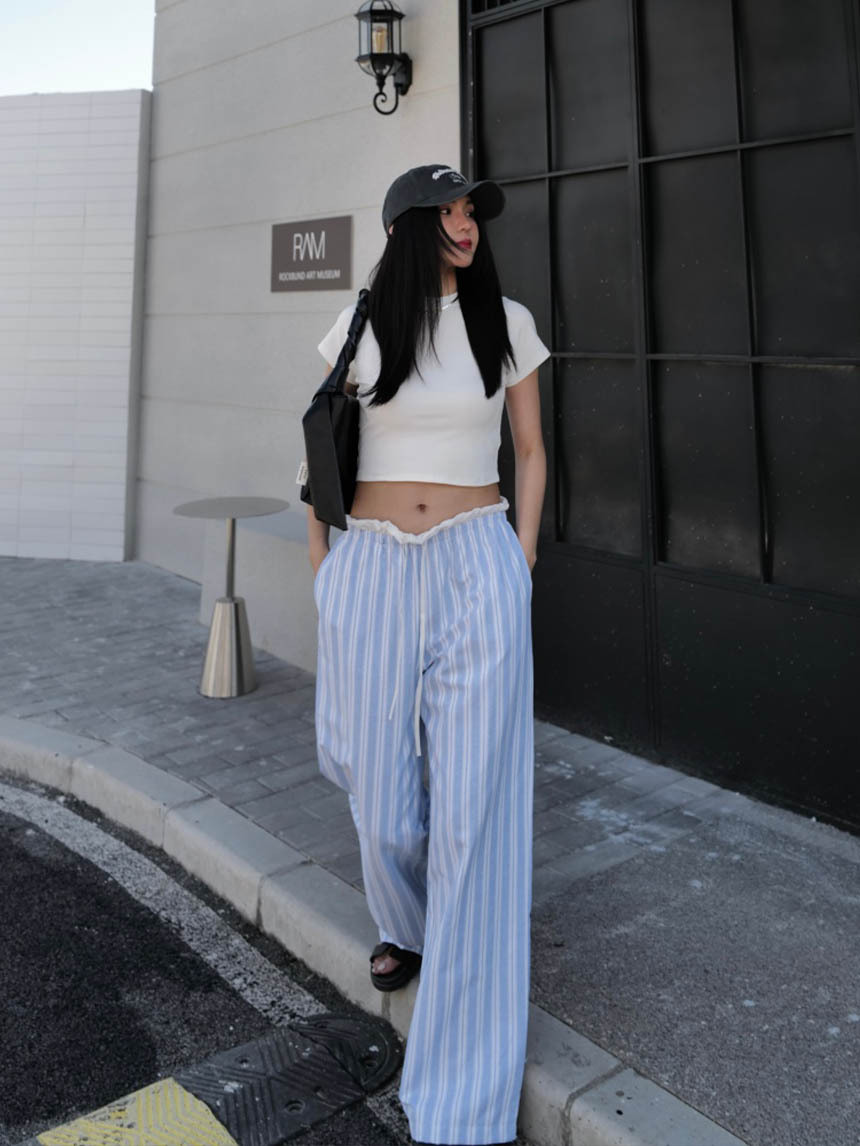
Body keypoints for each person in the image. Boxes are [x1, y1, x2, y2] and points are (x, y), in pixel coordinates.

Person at [307, 164, 549, 1146]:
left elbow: (530, 451)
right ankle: (405, 922)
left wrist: (519, 561)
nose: (465, 223)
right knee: (381, 793)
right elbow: (319, 453)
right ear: (407, 227)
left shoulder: (506, 323)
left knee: (474, 811)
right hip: (370, 564)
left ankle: (461, 1095)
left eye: (470, 211)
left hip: (475, 559)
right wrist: (325, 573)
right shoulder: (361, 325)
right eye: (447, 211)